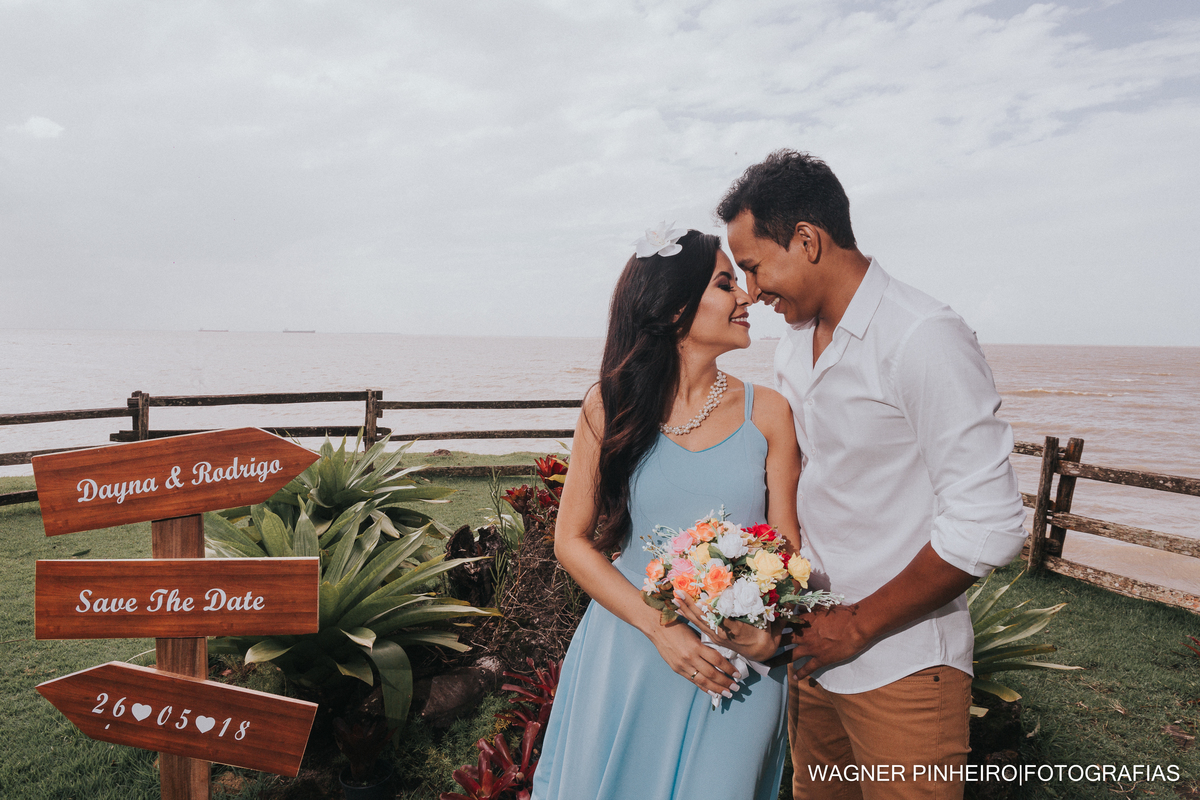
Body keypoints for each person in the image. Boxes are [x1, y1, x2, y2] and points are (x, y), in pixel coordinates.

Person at [713, 150, 1028, 800]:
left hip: (903, 669)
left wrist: (855, 625)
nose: (751, 291)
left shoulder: (923, 337)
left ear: (807, 240)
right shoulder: (795, 345)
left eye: (754, 266)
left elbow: (989, 524)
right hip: (813, 658)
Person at [530, 226, 803, 800]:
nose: (747, 296)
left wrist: (770, 637)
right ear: (676, 308)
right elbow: (571, 541)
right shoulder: (609, 406)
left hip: (738, 672)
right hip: (629, 648)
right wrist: (662, 629)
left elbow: (787, 552)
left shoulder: (770, 413)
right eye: (726, 284)